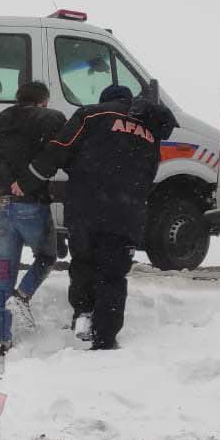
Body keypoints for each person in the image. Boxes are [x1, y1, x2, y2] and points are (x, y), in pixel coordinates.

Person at [27, 82, 176, 351]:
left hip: (86, 208)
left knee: (84, 263)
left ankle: (83, 319)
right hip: (126, 215)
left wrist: (31, 178)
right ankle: (106, 336)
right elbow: (149, 174)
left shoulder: (92, 115)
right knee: (113, 275)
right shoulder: (150, 131)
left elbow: (61, 147)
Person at [0, 81, 65, 355]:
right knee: (47, 257)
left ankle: (2, 338)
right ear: (42, 101)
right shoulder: (50, 118)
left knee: (5, 273)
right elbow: (57, 154)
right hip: (29, 203)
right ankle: (23, 294)